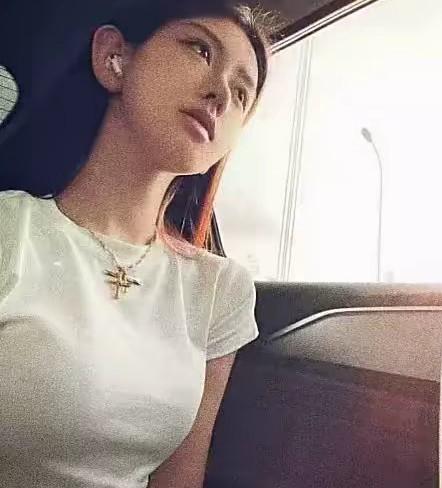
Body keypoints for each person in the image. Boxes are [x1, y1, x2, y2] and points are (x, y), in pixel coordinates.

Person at [0, 1, 276, 487]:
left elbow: (180, 477)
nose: (220, 94)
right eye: (200, 50)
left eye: (241, 93)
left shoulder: (220, 289)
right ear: (114, 58)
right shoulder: (10, 229)